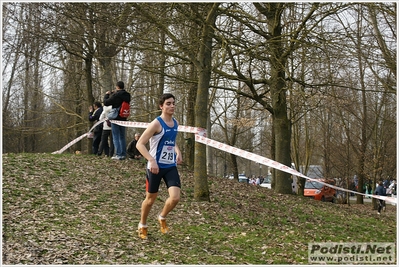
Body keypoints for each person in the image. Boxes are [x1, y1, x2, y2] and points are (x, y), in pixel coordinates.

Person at [136, 93, 183, 240]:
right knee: (150, 199)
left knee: (175, 198)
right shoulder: (156, 123)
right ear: (161, 106)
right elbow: (140, 144)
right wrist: (152, 160)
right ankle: (142, 225)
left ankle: (162, 217)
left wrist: (178, 151)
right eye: (168, 103)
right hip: (155, 167)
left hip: (170, 166)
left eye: (173, 103)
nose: (172, 106)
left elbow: (170, 140)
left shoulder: (175, 123)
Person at [103, 81, 131, 160]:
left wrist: (107, 95)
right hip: (124, 117)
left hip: (116, 117)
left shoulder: (116, 95)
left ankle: (118, 154)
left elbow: (106, 102)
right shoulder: (127, 95)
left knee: (116, 136)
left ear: (117, 87)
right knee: (122, 136)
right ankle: (123, 154)